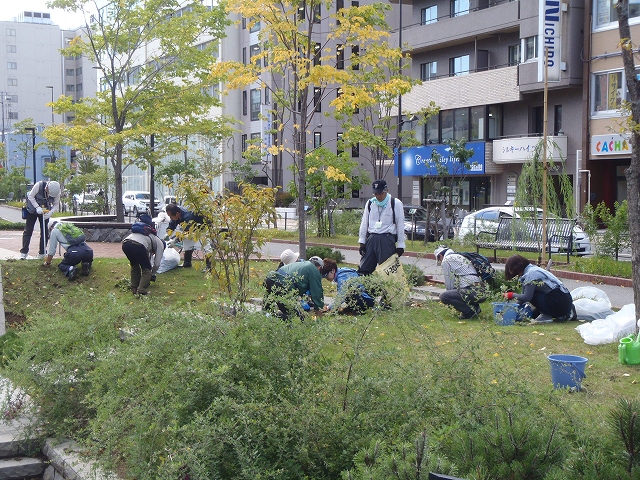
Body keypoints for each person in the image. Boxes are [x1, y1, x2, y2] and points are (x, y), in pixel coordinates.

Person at [503, 254, 577, 323]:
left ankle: (547, 315)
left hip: (558, 301)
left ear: (516, 268)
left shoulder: (531, 275)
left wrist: (511, 295)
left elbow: (527, 297)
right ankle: (566, 312)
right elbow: (522, 298)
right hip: (564, 300)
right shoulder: (533, 269)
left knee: (533, 294)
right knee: (532, 314)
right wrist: (512, 308)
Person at [357, 179, 405, 275]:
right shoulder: (370, 203)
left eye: (380, 193)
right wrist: (362, 242)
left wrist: (400, 245)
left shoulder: (395, 203)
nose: (378, 196)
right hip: (371, 238)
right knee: (364, 269)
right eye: (375, 194)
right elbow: (364, 223)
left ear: (386, 190)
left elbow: (400, 225)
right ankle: (363, 284)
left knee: (388, 271)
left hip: (386, 239)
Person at [264, 258, 330, 320]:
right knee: (295, 318)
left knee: (267, 310)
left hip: (270, 279)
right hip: (282, 285)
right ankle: (271, 318)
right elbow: (317, 293)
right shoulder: (314, 270)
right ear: (319, 267)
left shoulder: (303, 264)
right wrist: (319, 315)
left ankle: (266, 317)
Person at [434, 246, 487, 319]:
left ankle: (470, 311)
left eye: (439, 260)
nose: (440, 261)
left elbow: (449, 286)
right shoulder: (459, 257)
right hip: (481, 291)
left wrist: (451, 302)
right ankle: (474, 307)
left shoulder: (446, 260)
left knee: (444, 296)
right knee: (457, 292)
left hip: (472, 291)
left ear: (440, 256)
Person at [121, 216, 165, 295]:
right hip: (138, 245)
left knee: (135, 265)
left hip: (126, 244)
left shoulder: (149, 237)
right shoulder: (160, 244)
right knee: (146, 269)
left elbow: (147, 257)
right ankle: (141, 290)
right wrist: (152, 274)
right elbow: (157, 263)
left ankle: (134, 287)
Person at [21, 180, 61, 260]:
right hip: (32, 210)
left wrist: (50, 213)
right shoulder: (39, 185)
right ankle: (24, 253)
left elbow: (56, 204)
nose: (49, 194)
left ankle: (42, 252)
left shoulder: (57, 192)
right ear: (47, 187)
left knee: (44, 232)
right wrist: (37, 207)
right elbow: (31, 197)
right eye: (48, 192)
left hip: (45, 211)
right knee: (28, 230)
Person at [165, 204, 211, 269]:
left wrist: (175, 241)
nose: (170, 218)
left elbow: (186, 233)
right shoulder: (176, 214)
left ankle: (209, 267)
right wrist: (168, 233)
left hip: (203, 227)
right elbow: (172, 225)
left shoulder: (188, 217)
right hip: (192, 229)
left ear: (177, 214)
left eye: (171, 216)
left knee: (205, 246)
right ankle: (187, 263)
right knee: (187, 242)